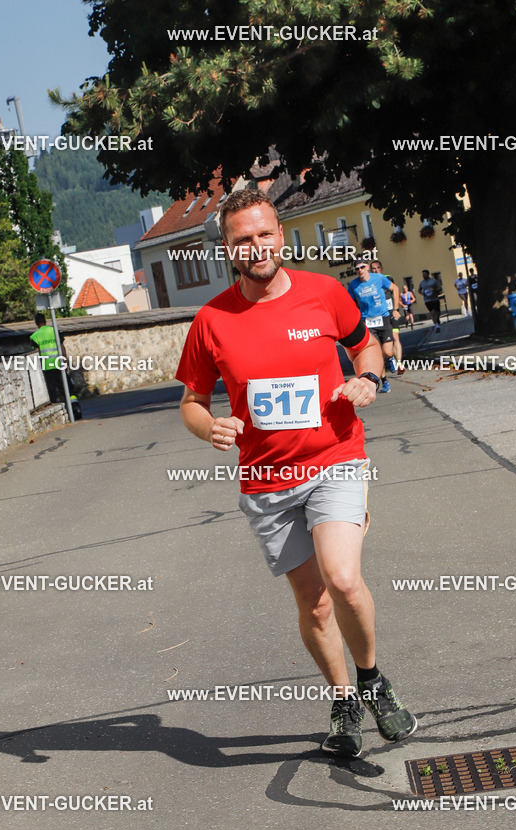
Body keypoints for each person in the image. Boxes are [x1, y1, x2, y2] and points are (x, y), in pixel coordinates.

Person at [175, 190, 417, 757]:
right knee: (313, 603)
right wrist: (206, 426)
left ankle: (372, 679)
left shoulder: (325, 294)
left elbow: (368, 349)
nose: (256, 247)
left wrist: (369, 380)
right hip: (266, 482)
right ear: (228, 249)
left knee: (344, 578)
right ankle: (343, 703)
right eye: (242, 240)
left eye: (264, 234)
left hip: (335, 456)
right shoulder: (211, 321)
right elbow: (190, 400)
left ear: (280, 235)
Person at [347, 256, 399, 393]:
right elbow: (349, 303)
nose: (360, 270)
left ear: (368, 267)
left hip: (383, 318)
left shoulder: (379, 278)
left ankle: (391, 358)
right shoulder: (353, 285)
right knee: (376, 353)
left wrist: (396, 309)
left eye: (362, 267)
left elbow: (395, 288)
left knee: (387, 352)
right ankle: (384, 381)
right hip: (367, 322)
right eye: (357, 268)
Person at [370, 259, 405, 375]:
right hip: (380, 316)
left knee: (396, 337)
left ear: (381, 268)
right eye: (373, 269)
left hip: (391, 313)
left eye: (377, 268)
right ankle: (390, 358)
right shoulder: (369, 283)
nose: (375, 271)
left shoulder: (388, 278)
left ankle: (399, 363)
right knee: (383, 344)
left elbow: (395, 291)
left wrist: (396, 309)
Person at [30, 312, 64, 403]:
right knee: (65, 387)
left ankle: (55, 404)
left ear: (36, 323)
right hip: (59, 363)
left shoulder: (34, 336)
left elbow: (36, 353)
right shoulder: (55, 331)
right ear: (45, 321)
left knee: (51, 389)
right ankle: (74, 407)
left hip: (46, 366)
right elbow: (62, 347)